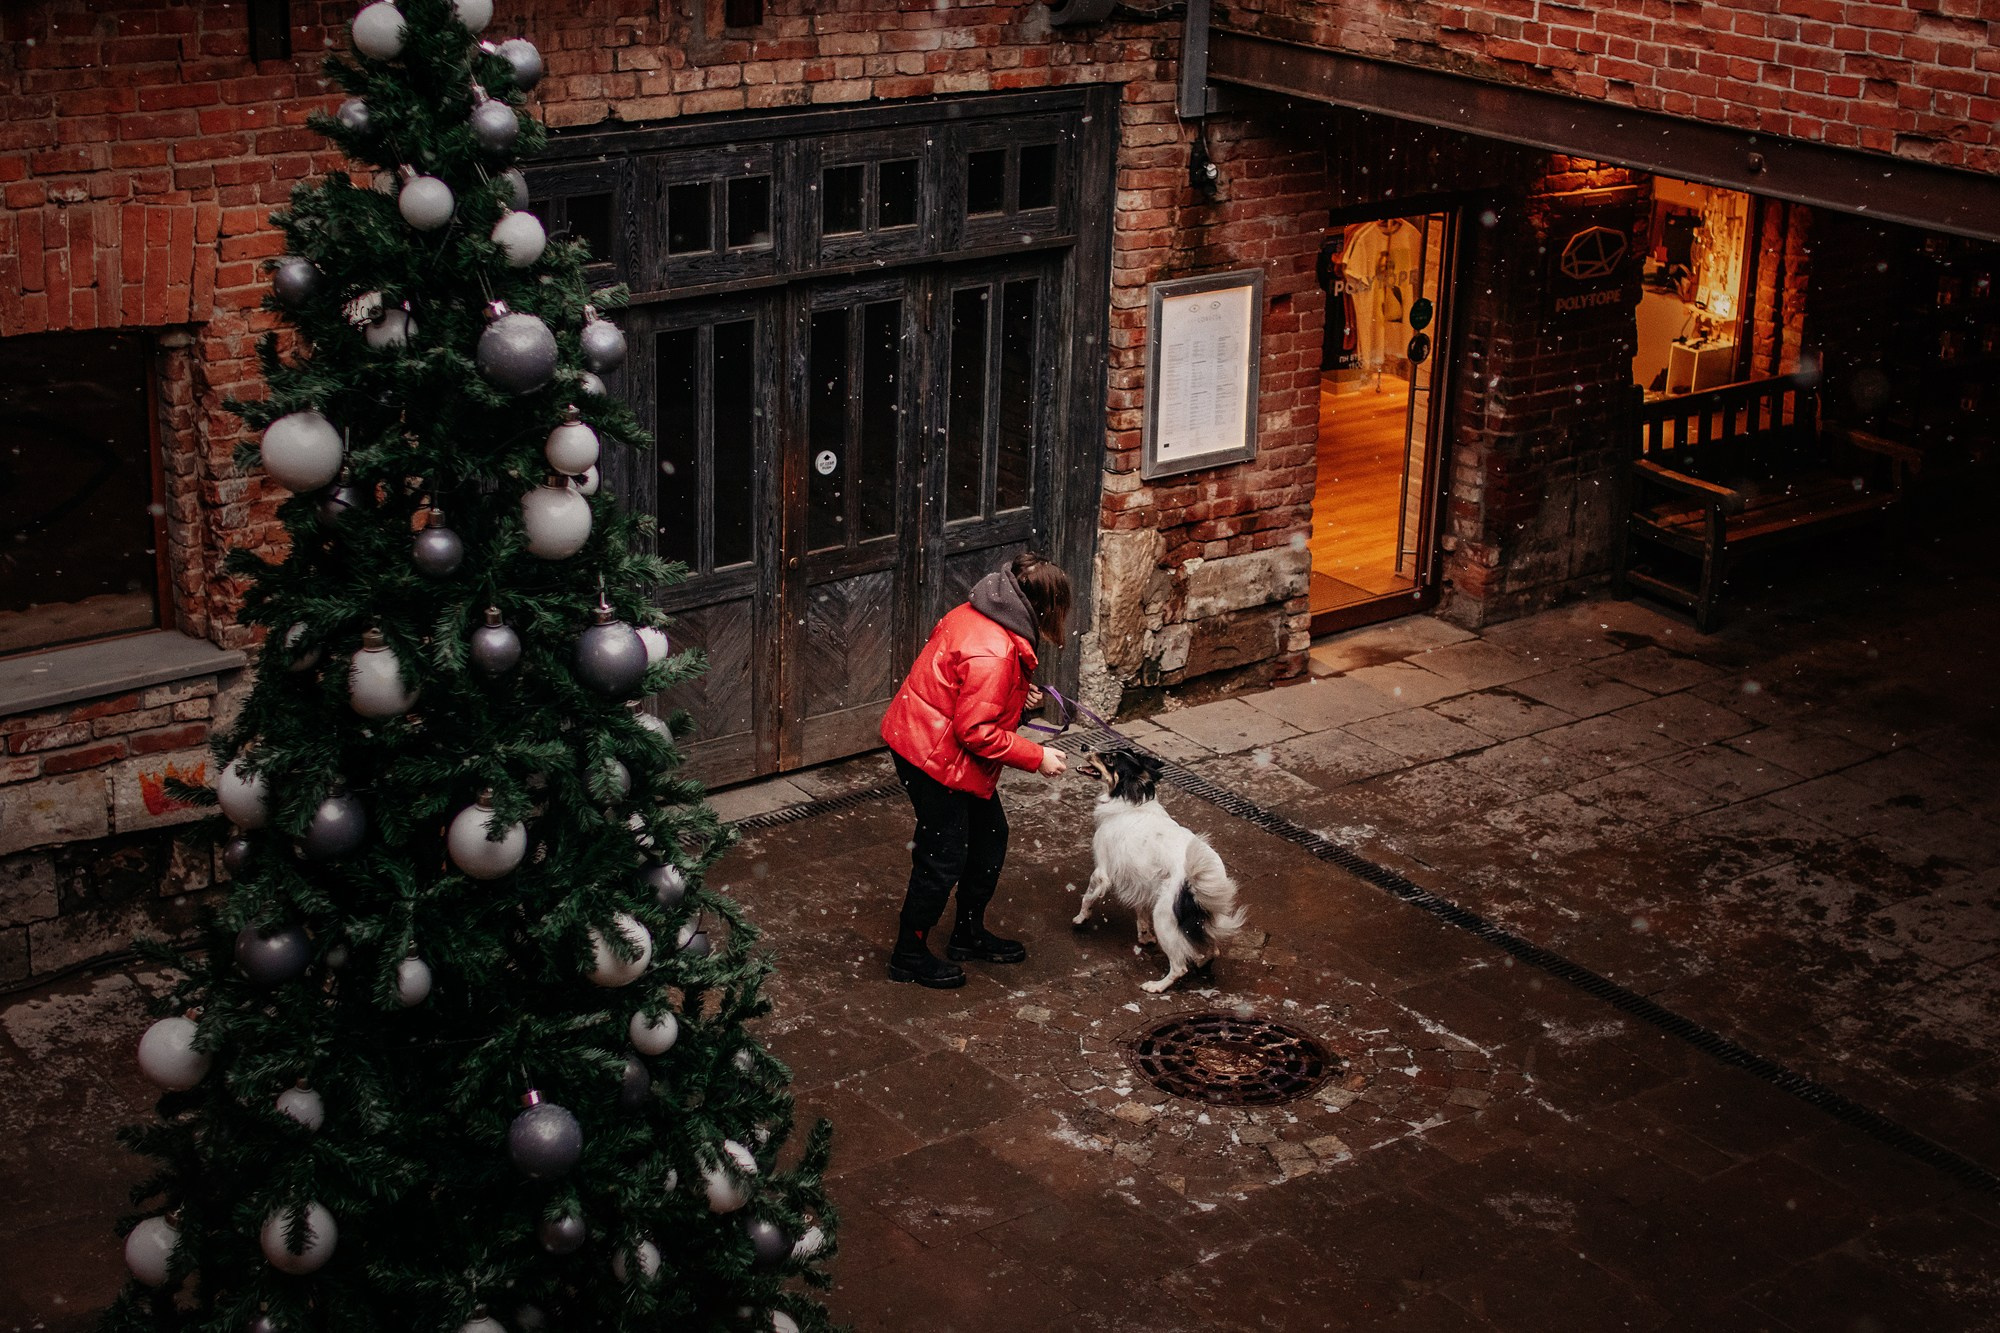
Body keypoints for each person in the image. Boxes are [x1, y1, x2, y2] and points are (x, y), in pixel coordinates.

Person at [878, 551, 1072, 988]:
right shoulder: (998, 652)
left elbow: (962, 693)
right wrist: (1036, 757)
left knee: (989, 837)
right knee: (941, 858)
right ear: (1041, 607)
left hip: (927, 738)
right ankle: (907, 955)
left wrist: (1017, 703)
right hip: (932, 756)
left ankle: (967, 934)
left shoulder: (979, 611)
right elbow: (976, 732)